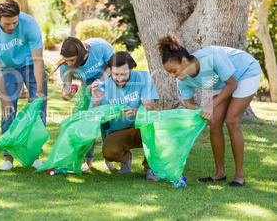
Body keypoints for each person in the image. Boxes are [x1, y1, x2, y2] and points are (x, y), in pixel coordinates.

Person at [157, 34, 262, 187]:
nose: (173, 76)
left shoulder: (211, 56)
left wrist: (210, 105)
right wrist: (193, 120)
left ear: (184, 61)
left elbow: (232, 84)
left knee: (232, 120)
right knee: (214, 121)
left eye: (174, 70)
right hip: (223, 82)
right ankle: (220, 173)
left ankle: (239, 175)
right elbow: (191, 108)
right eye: (170, 73)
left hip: (246, 72)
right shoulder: (183, 80)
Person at [0, 0, 47, 171]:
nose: (11, 27)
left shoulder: (29, 24)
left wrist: (39, 90)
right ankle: (8, 159)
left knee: (38, 109)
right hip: (8, 69)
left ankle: (35, 157)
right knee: (7, 111)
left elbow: (38, 61)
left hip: (31, 64)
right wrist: (4, 98)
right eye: (7, 24)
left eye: (15, 23)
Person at [90, 51, 161, 181]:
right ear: (110, 70)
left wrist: (135, 111)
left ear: (131, 70)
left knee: (155, 125)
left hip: (142, 128)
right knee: (109, 152)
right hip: (118, 131)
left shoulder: (143, 77)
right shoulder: (102, 87)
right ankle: (126, 158)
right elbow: (94, 120)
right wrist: (96, 101)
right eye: (115, 74)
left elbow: (150, 108)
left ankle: (151, 167)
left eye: (124, 74)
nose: (120, 78)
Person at [51, 36, 114, 171]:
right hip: (88, 85)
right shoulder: (65, 67)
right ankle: (88, 161)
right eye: (66, 60)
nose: (69, 64)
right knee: (88, 122)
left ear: (81, 54)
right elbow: (66, 91)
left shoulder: (100, 46)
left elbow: (113, 65)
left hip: (107, 79)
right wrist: (66, 95)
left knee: (106, 121)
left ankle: (108, 160)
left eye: (72, 61)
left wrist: (101, 80)